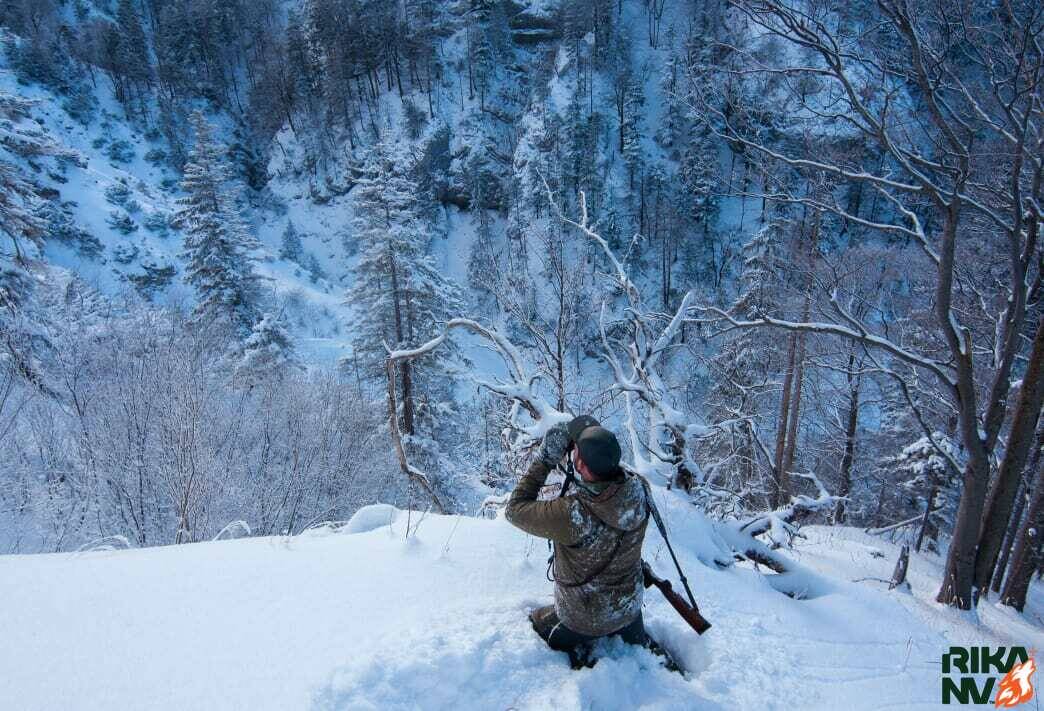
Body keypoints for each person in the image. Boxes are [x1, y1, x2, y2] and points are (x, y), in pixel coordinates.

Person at [505, 415, 651, 668]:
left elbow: (514, 510)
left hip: (581, 620)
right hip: (629, 609)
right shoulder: (640, 490)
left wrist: (545, 460)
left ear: (581, 464)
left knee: (535, 623)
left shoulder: (572, 515)